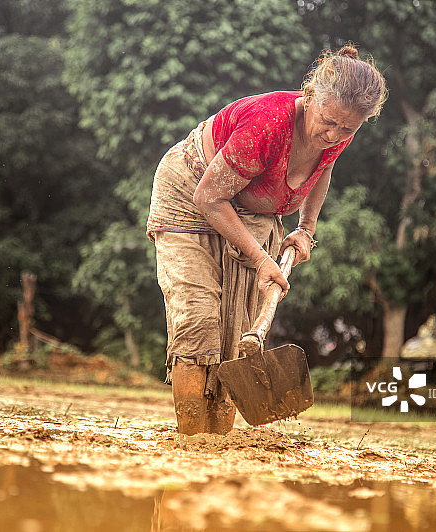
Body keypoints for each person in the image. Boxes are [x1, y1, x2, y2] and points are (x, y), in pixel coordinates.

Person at [146, 45, 387, 435]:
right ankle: (193, 445)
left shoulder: (339, 129)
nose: (335, 135)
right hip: (192, 192)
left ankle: (218, 442)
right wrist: (262, 259)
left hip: (253, 206)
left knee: (236, 332)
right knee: (200, 319)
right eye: (328, 122)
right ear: (308, 97)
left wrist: (307, 228)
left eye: (347, 129)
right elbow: (208, 198)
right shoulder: (267, 124)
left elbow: (323, 169)